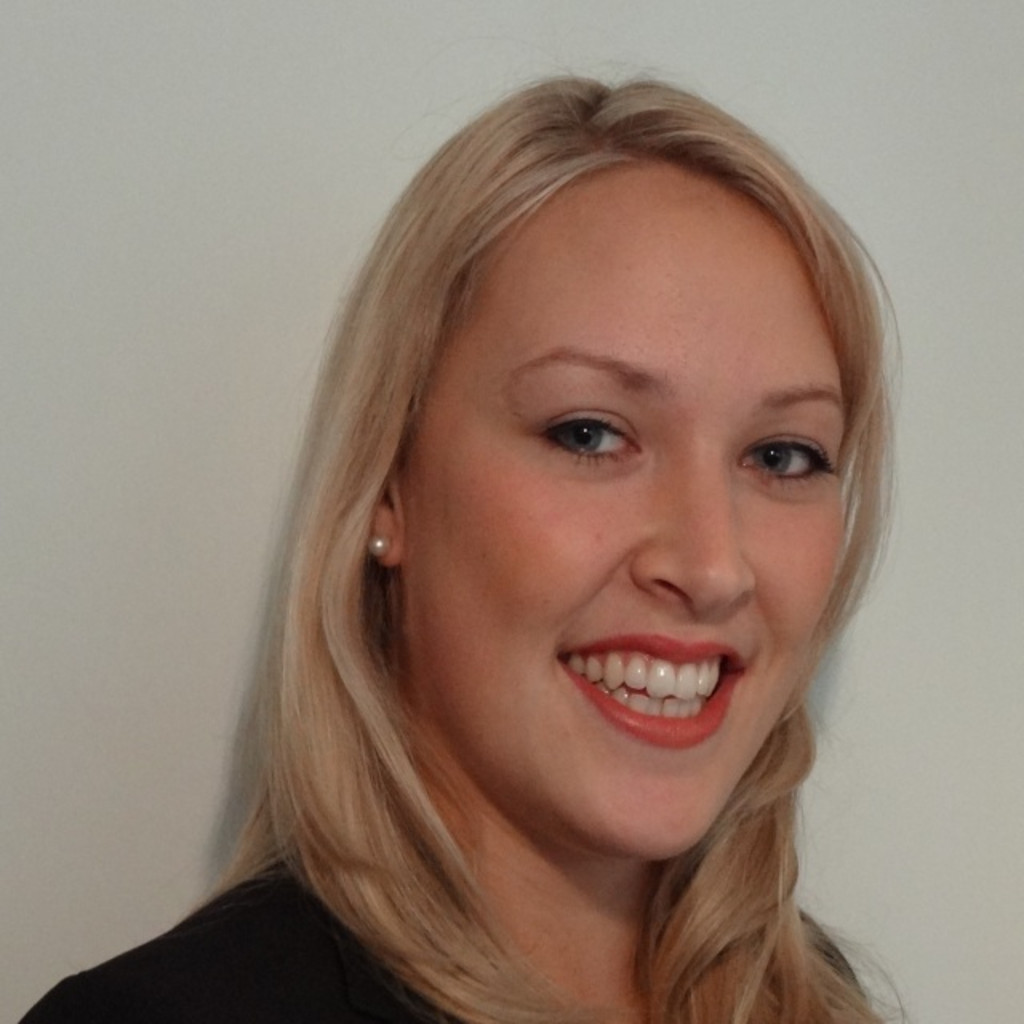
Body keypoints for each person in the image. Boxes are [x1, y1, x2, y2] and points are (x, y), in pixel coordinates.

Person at [22, 76, 891, 1024]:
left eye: (783, 455)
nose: (714, 567)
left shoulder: (817, 1000)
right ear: (389, 482)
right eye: (590, 434)